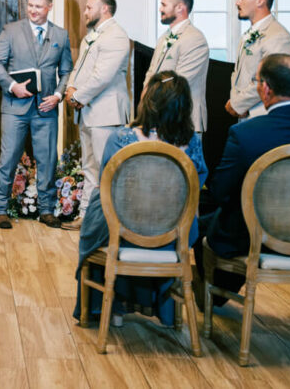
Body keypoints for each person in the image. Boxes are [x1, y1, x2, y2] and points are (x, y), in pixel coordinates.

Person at [199, 54, 290, 298]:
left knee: (202, 221)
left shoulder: (245, 133)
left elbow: (221, 191)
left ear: (265, 89)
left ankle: (214, 298)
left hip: (254, 239)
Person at [73, 71, 207, 328]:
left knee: (101, 214)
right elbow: (196, 187)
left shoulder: (122, 139)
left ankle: (111, 305)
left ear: (148, 102)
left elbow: (107, 187)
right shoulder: (192, 144)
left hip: (123, 232)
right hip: (173, 235)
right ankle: (162, 308)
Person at [0, 0, 73, 229]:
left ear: (49, 7)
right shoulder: (11, 31)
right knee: (9, 157)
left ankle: (46, 210)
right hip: (15, 107)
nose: (33, 11)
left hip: (46, 109)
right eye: (30, 6)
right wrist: (12, 86)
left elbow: (66, 71)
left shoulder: (61, 36)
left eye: (38, 7)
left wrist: (58, 95)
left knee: (47, 160)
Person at [64, 0, 131, 228]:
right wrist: (71, 88)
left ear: (105, 9)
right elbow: (79, 68)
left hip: (107, 113)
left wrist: (78, 97)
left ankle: (109, 222)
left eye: (89, 7)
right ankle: (86, 217)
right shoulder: (89, 37)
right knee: (89, 167)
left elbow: (102, 77)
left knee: (107, 168)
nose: (85, 12)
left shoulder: (117, 36)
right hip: (88, 111)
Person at [143, 0, 210, 134]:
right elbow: (152, 70)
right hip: (160, 115)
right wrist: (145, 92)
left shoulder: (194, 38)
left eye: (164, 5)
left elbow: (179, 80)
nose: (160, 9)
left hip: (184, 117)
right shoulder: (164, 37)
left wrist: (150, 94)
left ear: (180, 7)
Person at [226, 0, 290, 119]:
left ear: (260, 1)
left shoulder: (279, 36)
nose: (237, 3)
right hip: (245, 115)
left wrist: (238, 104)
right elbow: (237, 73)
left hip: (264, 115)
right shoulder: (248, 34)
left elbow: (268, 80)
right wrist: (236, 103)